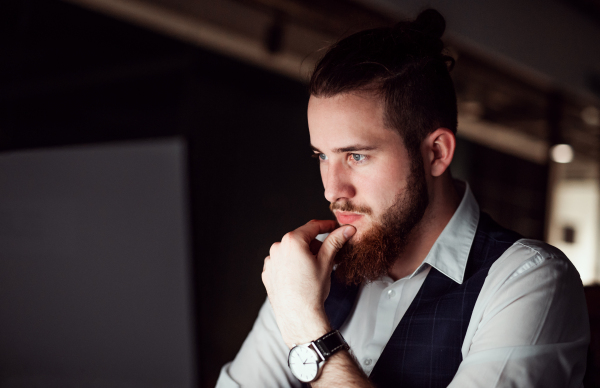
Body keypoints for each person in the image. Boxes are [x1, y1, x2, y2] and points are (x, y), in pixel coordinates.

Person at [216, 9, 590, 388]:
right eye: (322, 157)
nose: (332, 190)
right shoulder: (309, 269)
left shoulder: (528, 282)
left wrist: (307, 328)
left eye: (356, 156)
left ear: (437, 154)